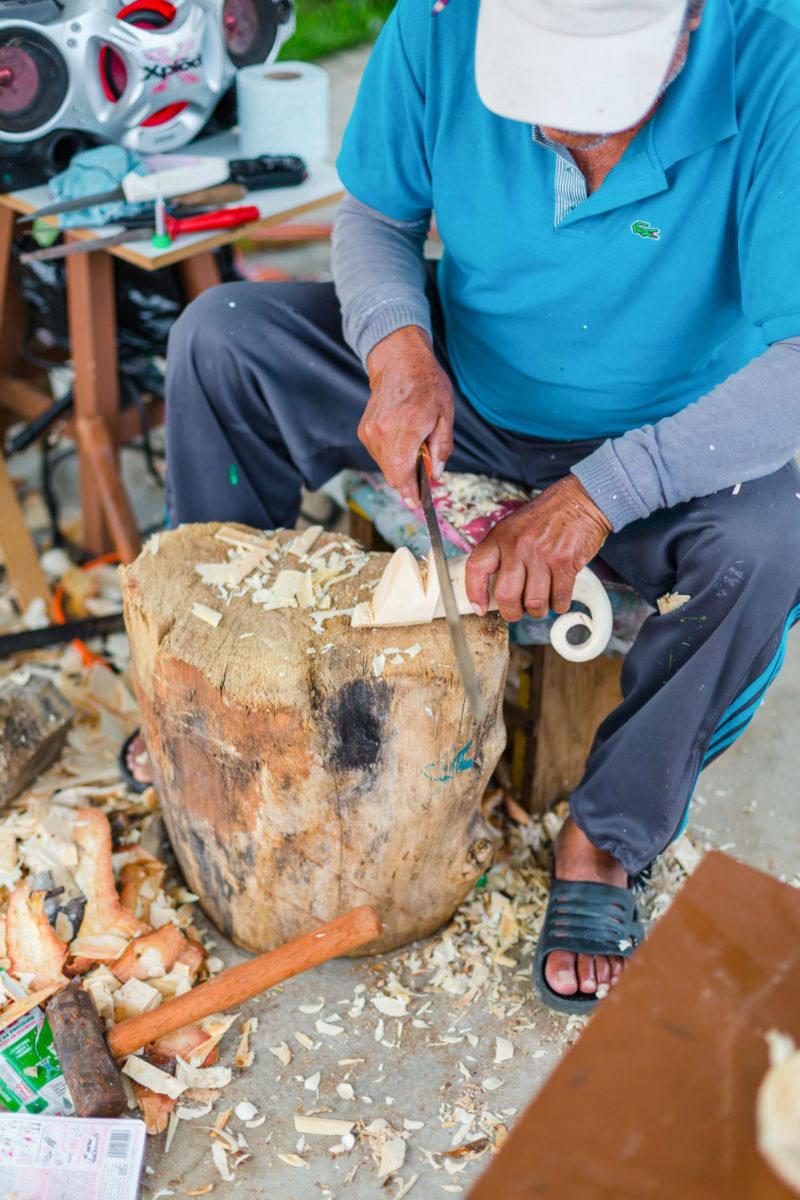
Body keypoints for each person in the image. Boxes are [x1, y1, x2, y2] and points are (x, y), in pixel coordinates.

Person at [164, 0, 800, 1013]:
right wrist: (396, 349)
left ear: (682, 33)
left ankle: (605, 835)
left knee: (776, 535)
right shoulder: (440, 19)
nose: (550, 134)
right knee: (222, 334)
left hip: (675, 439)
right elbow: (376, 215)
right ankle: (209, 684)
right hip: (470, 384)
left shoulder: (775, 55)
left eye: (591, 113)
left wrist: (600, 495)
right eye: (533, 101)